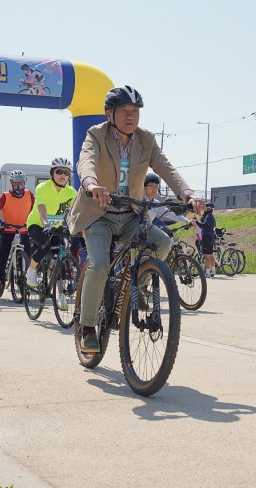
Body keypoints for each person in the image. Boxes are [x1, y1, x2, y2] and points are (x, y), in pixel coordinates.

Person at [66, 85, 205, 353]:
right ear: (110, 114)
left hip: (132, 214)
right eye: (124, 111)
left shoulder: (146, 139)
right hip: (99, 214)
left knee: (163, 243)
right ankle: (87, 327)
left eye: (135, 111)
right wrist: (92, 185)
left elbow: (167, 168)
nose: (131, 117)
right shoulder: (96, 135)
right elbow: (86, 161)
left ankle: (136, 285)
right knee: (99, 264)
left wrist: (188, 195)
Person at [25, 158, 77, 287]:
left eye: (66, 172)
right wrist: (46, 224)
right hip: (37, 223)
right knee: (45, 245)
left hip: (57, 227)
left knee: (60, 255)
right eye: (59, 172)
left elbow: (76, 211)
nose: (62, 175)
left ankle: (61, 296)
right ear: (52, 173)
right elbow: (41, 207)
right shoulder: (43, 187)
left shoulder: (71, 192)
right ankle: (31, 270)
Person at [0, 169, 34, 293]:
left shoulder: (29, 195)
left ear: (25, 182)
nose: (18, 185)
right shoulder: (4, 196)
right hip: (8, 231)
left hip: (24, 231)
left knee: (27, 257)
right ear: (11, 182)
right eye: (15, 182)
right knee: (3, 258)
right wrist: (0, 223)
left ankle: (23, 282)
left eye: (20, 182)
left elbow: (35, 211)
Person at [196, 206, 217, 277]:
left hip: (206, 237)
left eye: (205, 208)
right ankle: (213, 271)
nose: (204, 210)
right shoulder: (212, 217)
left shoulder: (208, 216)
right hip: (211, 237)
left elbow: (203, 225)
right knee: (210, 254)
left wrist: (196, 221)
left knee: (206, 255)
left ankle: (207, 273)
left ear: (209, 209)